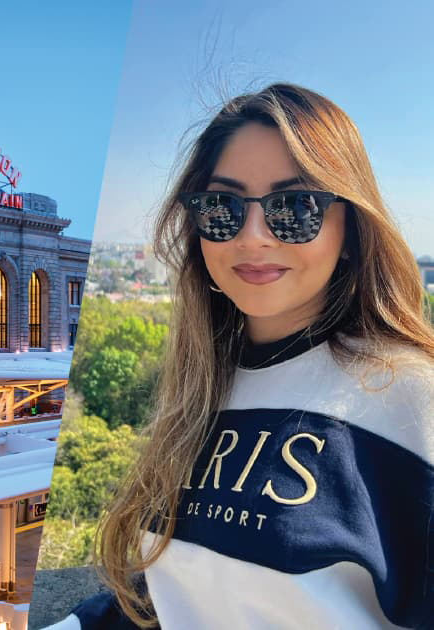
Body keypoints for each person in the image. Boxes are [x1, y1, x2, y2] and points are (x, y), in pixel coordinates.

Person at [45, 84, 434, 629]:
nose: (252, 237)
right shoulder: (200, 389)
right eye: (222, 207)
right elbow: (166, 594)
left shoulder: (411, 397)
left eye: (296, 206)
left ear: (352, 229)